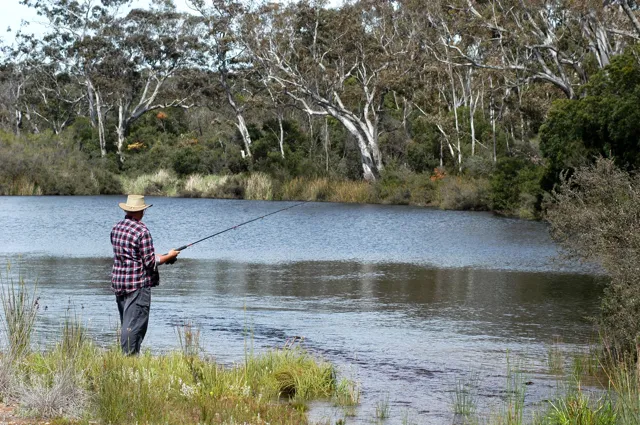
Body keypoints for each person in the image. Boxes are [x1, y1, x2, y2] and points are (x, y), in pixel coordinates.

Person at [110, 194, 180, 355]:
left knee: (127, 323)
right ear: (141, 211)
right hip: (137, 285)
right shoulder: (142, 231)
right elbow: (149, 262)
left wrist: (163, 257)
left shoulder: (116, 227)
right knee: (134, 325)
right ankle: (130, 359)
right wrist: (170, 255)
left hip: (119, 282)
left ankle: (125, 357)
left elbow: (132, 256)